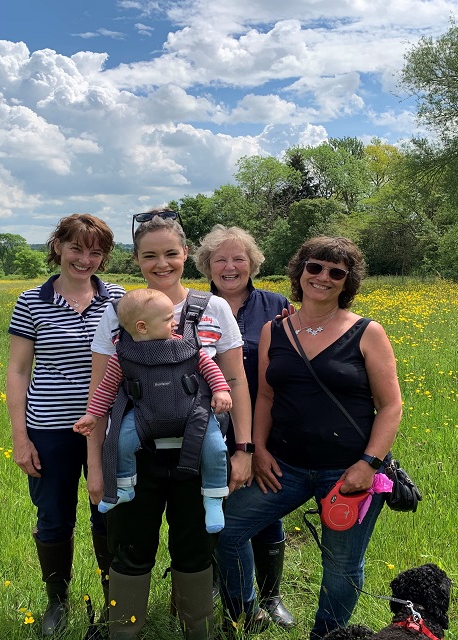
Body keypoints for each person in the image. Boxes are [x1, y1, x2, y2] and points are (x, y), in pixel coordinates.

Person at [214, 236, 403, 640]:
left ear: (347, 282)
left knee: (341, 564)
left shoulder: (367, 332)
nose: (323, 277)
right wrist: (259, 450)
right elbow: (265, 395)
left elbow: (391, 406)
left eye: (337, 272)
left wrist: (368, 465)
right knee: (226, 530)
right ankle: (246, 616)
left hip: (347, 470)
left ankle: (327, 635)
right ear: (300, 271)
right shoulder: (274, 329)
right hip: (286, 465)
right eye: (315, 267)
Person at [86, 208, 255, 640]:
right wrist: (97, 466)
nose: (161, 264)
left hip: (199, 455)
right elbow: (101, 393)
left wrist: (243, 450)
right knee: (129, 549)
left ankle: (196, 628)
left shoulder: (213, 307)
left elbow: (235, 379)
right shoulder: (118, 311)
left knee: (196, 548)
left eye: (170, 253)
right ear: (136, 260)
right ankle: (125, 631)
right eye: (149, 256)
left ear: (186, 254)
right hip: (133, 457)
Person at [6, 214, 126, 637]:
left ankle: (116, 601)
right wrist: (21, 439)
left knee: (108, 514)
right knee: (54, 516)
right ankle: (57, 601)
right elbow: (19, 371)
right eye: (77, 248)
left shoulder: (118, 298)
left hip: (108, 426)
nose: (85, 259)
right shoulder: (31, 300)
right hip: (50, 428)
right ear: (57, 246)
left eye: (96, 251)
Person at [193, 225, 296, 631]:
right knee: (213, 504)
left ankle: (271, 597)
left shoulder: (276, 305)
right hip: (206, 426)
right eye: (220, 259)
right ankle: (219, 581)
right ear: (206, 265)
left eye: (238, 259)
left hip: (266, 424)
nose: (230, 266)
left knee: (264, 507)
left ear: (252, 264)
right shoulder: (191, 305)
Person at [73, 288, 232, 533]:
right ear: (142, 327)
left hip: (194, 415)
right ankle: (124, 486)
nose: (175, 323)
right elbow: (106, 387)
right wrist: (93, 415)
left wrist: (221, 390)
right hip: (143, 416)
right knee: (120, 441)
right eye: (168, 319)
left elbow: (209, 368)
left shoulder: (186, 345)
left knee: (215, 448)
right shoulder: (122, 355)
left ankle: (213, 498)